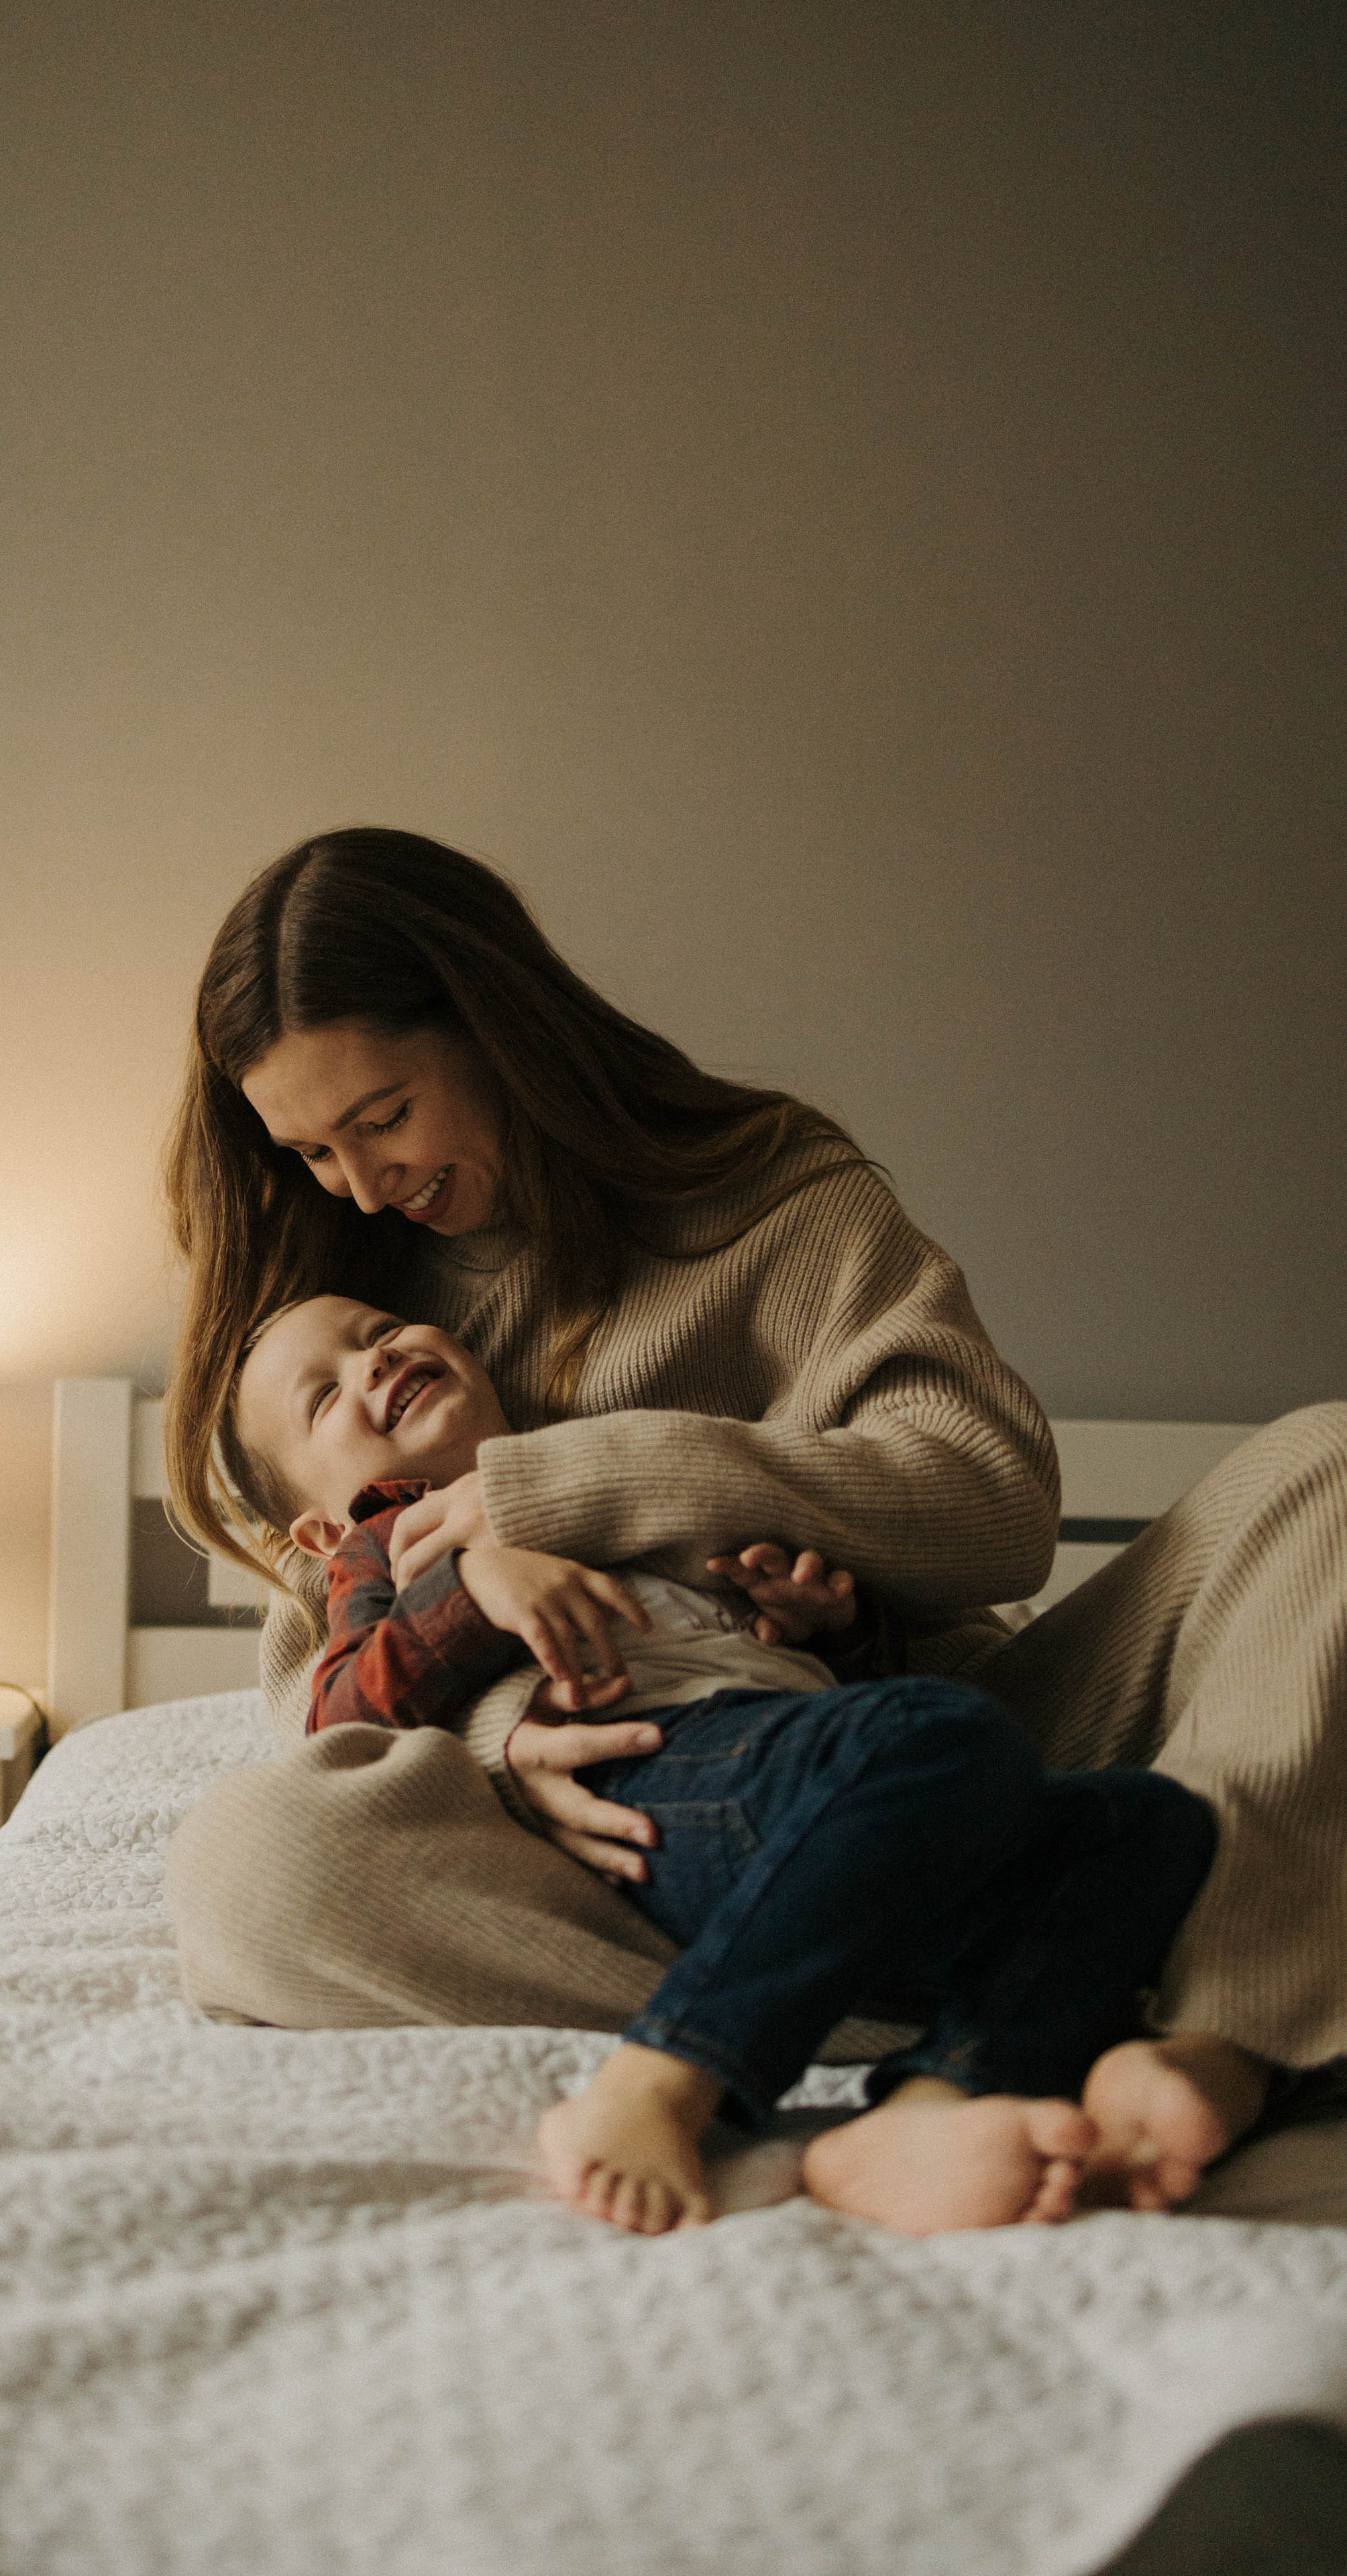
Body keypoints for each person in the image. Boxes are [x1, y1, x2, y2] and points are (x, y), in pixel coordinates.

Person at [162, 826, 1347, 2210]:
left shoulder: (768, 1191)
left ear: (497, 1030)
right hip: (626, 1842)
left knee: (1324, 1470)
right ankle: (1018, 1989)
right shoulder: (333, 1320)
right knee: (252, 1869)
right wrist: (505, 1737)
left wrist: (586, 1483)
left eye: (380, 1119)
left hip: (931, 1737)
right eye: (308, 1148)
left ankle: (1214, 2038)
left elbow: (991, 1504)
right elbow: (324, 1687)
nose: (358, 1184)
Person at [223, 1289, 1219, 2236]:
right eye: (326, 1395)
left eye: (379, 1329)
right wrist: (477, 1585)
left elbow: (781, 1653)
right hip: (668, 1777)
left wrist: (817, 1619)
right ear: (319, 1528)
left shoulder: (604, 1466)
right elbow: (342, 1715)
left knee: (1145, 1824)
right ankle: (667, 2074)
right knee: (946, 1738)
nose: (375, 1360)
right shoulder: (383, 1544)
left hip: (800, 1765)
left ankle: (934, 2102)